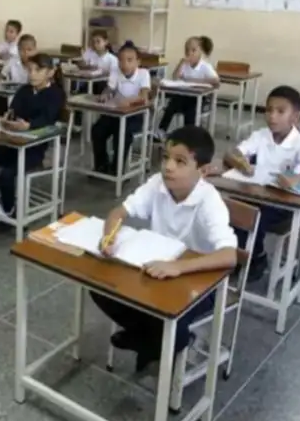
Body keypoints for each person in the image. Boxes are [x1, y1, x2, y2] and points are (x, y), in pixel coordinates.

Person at [93, 125, 238, 372]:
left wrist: (178, 268)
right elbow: (120, 211)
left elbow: (229, 256)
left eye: (180, 161)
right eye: (166, 158)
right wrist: (109, 235)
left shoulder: (209, 201)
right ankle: (150, 339)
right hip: (157, 268)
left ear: (202, 171)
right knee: (100, 286)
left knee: (172, 321)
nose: (168, 167)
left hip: (200, 280)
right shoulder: (157, 184)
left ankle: (160, 341)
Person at [221, 86, 300, 275]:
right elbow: (232, 152)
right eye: (269, 110)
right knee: (232, 210)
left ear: (295, 117)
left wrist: (296, 178)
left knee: (253, 216)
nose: (272, 116)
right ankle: (242, 257)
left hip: (285, 203)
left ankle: (256, 257)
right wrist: (241, 163)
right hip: (258, 194)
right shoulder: (261, 135)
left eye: (280, 111)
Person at [0, 53, 66, 232]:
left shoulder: (55, 94)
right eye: (29, 70)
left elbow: (48, 118)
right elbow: (13, 110)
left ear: (50, 73)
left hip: (33, 150)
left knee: (5, 176)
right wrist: (8, 119)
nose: (32, 74)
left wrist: (28, 126)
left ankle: (9, 212)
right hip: (10, 144)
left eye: (38, 70)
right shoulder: (24, 90)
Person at [91, 43, 152, 175]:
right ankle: (101, 165)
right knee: (97, 130)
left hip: (135, 116)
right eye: (121, 60)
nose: (125, 64)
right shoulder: (116, 71)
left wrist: (129, 101)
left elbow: (144, 96)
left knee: (122, 134)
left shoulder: (143, 74)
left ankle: (117, 168)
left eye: (130, 60)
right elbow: (110, 88)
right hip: (116, 114)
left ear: (138, 62)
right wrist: (105, 94)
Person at [157, 35, 219, 135]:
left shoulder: (205, 66)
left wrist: (194, 81)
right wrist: (181, 63)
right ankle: (161, 131)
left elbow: (216, 81)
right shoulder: (185, 64)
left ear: (201, 52)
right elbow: (175, 77)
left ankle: (188, 135)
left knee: (190, 111)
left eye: (193, 50)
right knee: (171, 105)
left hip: (199, 99)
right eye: (187, 50)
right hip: (184, 96)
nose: (190, 53)